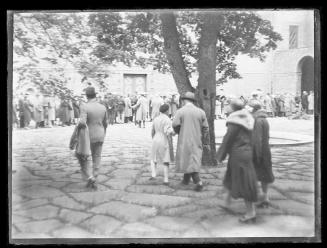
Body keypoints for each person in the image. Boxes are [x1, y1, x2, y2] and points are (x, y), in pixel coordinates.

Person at [216, 99, 258, 223]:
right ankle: (227, 203)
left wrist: (220, 156)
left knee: (245, 183)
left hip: (238, 154)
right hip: (245, 153)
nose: (226, 107)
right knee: (230, 177)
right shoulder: (247, 118)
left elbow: (228, 138)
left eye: (228, 105)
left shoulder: (235, 121)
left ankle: (251, 213)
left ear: (232, 107)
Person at [172, 92, 210, 192]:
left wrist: (178, 131)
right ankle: (185, 181)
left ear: (184, 100)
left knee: (189, 160)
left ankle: (198, 182)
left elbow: (175, 124)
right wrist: (205, 141)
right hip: (197, 138)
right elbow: (206, 128)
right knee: (192, 159)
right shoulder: (201, 112)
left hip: (185, 139)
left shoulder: (180, 111)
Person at [78, 87, 108, 189]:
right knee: (97, 156)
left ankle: (90, 177)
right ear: (95, 95)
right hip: (100, 134)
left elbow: (82, 122)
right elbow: (106, 123)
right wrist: (104, 133)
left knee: (84, 156)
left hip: (88, 135)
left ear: (86, 96)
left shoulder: (85, 107)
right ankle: (95, 176)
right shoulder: (102, 107)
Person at [250, 100, 274, 209]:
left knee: (256, 175)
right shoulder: (264, 119)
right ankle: (265, 198)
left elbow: (257, 139)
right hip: (266, 150)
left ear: (254, 109)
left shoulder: (257, 121)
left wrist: (257, 155)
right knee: (264, 175)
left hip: (259, 152)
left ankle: (260, 198)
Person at [150, 104, 175, 185]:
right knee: (165, 159)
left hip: (155, 138)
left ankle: (153, 175)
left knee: (153, 157)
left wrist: (153, 138)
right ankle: (166, 179)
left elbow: (152, 131)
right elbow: (168, 131)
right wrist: (173, 133)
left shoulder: (156, 119)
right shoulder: (167, 120)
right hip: (163, 139)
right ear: (167, 110)